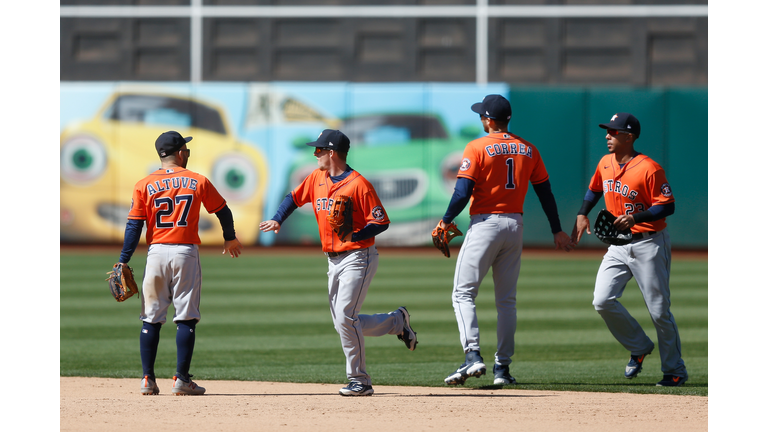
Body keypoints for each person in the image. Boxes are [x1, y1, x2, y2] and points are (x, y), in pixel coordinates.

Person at [259, 129, 417, 397]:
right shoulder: (316, 177)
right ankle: (396, 322)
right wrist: (277, 219)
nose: (315, 154)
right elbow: (293, 198)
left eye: (319, 149)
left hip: (358, 257)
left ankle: (360, 380)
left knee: (345, 317)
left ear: (331, 153)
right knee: (344, 322)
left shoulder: (359, 184)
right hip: (332, 260)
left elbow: (381, 221)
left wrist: (355, 235)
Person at [438, 94, 574, 386]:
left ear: (488, 120)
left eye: (481, 115)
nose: (480, 119)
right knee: (506, 301)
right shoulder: (528, 149)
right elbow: (545, 192)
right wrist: (556, 229)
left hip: (485, 224)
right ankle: (502, 368)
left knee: (463, 294)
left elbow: (462, 192)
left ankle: (472, 355)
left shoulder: (477, 146)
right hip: (515, 225)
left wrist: (446, 220)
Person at [118, 131, 243, 396]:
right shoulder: (197, 180)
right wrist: (230, 238)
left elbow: (134, 226)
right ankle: (182, 380)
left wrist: (123, 260)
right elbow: (223, 210)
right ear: (180, 153)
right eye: (185, 148)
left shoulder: (143, 184)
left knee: (150, 318)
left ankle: (147, 379)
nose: (187, 151)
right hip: (185, 252)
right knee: (186, 316)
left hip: (155, 253)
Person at [570, 112, 687, 387]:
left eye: (614, 132)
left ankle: (675, 370)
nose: (607, 136)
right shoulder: (605, 162)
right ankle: (639, 346)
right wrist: (582, 212)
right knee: (602, 300)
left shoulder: (649, 168)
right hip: (617, 245)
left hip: (649, 243)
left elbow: (667, 205)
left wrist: (637, 217)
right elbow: (594, 189)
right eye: (607, 131)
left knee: (659, 311)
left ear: (629, 136)